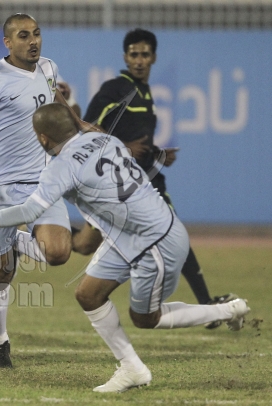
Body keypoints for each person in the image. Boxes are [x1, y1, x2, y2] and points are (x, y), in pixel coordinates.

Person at [0, 103, 250, 392]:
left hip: (154, 242)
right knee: (88, 294)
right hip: (135, 233)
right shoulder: (106, 140)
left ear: (43, 138)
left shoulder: (61, 168)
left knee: (145, 318)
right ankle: (132, 369)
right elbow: (94, 151)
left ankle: (226, 310)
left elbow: (29, 211)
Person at [0, 13, 88, 368]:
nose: (33, 41)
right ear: (8, 43)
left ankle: (13, 241)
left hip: (42, 181)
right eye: (24, 35)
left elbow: (56, 104)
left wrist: (83, 126)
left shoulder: (49, 68)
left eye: (36, 33)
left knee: (58, 253)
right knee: (0, 275)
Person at [83, 28, 235, 328]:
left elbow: (134, 139)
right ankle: (207, 305)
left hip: (144, 180)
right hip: (126, 182)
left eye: (145, 54)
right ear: (125, 57)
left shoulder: (144, 92)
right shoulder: (116, 88)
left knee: (91, 243)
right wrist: (125, 148)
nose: (139, 60)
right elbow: (85, 127)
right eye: (134, 54)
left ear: (153, 57)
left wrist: (155, 153)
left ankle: (206, 304)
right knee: (167, 235)